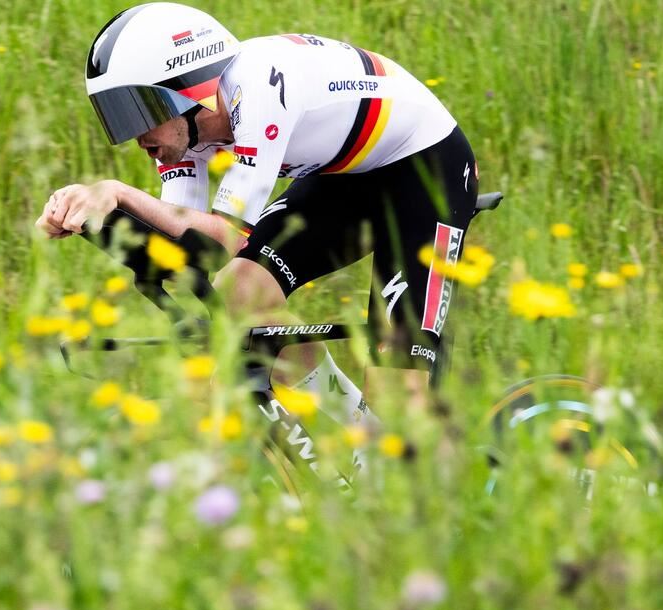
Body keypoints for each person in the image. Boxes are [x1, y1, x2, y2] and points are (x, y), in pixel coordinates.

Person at [35, 2, 478, 427]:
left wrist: (117, 192)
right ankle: (357, 435)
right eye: (119, 116)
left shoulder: (260, 90)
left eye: (140, 111)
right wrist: (97, 218)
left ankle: (446, 491)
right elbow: (185, 241)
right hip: (347, 174)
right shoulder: (182, 133)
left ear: (187, 90)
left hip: (426, 167)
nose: (135, 135)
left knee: (401, 399)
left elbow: (224, 239)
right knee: (242, 289)